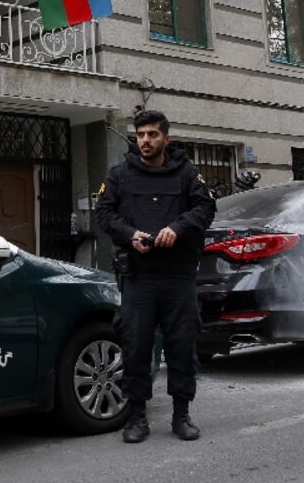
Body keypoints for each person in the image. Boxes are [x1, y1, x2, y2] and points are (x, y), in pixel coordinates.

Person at [94, 110, 216, 444]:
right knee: (135, 347)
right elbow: (103, 214)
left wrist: (177, 229)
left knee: (182, 346)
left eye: (152, 135)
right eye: (141, 135)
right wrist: (130, 235)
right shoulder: (119, 175)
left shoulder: (188, 174)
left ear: (166, 138)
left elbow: (205, 210)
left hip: (177, 276)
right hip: (140, 276)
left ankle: (182, 415)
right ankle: (136, 417)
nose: (145, 141)